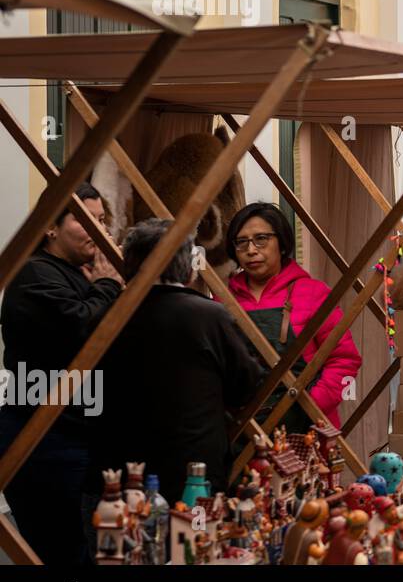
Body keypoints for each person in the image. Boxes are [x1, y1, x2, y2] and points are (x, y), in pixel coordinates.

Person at [87, 219, 266, 505]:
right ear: (186, 263)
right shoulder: (210, 317)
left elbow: (89, 396)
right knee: (195, 545)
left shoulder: (105, 316)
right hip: (195, 469)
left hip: (122, 473)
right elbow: (247, 385)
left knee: (129, 545)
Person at [0, 182, 121, 565]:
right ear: (51, 227)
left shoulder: (75, 273)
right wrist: (107, 286)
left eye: (102, 220)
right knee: (63, 550)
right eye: (87, 220)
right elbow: (83, 328)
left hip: (76, 434)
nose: (99, 230)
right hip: (44, 440)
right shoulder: (35, 274)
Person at [226, 203, 362, 431]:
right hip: (243, 430)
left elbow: (344, 359)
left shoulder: (314, 293)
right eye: (242, 242)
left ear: (281, 243)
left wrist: (307, 407)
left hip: (306, 427)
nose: (251, 250)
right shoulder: (223, 301)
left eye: (261, 239)